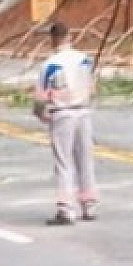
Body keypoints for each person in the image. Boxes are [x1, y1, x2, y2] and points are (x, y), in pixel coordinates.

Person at [33, 21, 98, 226]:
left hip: (62, 114)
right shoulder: (85, 60)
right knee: (85, 159)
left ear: (53, 39)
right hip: (84, 113)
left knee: (63, 162)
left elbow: (40, 97)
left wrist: (39, 113)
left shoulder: (50, 64)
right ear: (70, 36)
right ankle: (89, 205)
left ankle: (66, 210)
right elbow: (93, 86)